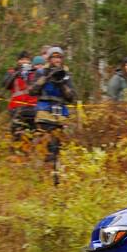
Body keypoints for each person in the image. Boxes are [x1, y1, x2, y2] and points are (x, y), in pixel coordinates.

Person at [28, 47, 76, 177]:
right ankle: (41, 173)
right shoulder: (41, 72)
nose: (57, 60)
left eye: (59, 57)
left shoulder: (66, 75)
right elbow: (32, 91)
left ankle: (55, 175)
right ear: (49, 59)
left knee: (57, 146)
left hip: (60, 115)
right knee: (44, 144)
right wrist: (46, 77)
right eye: (54, 57)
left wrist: (61, 83)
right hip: (44, 113)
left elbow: (71, 97)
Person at [2, 51, 38, 141]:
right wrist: (16, 74)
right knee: (17, 136)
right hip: (16, 109)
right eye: (22, 59)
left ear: (30, 61)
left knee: (32, 137)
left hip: (32, 109)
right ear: (18, 61)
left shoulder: (35, 73)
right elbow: (5, 85)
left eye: (27, 59)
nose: (24, 61)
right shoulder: (12, 72)